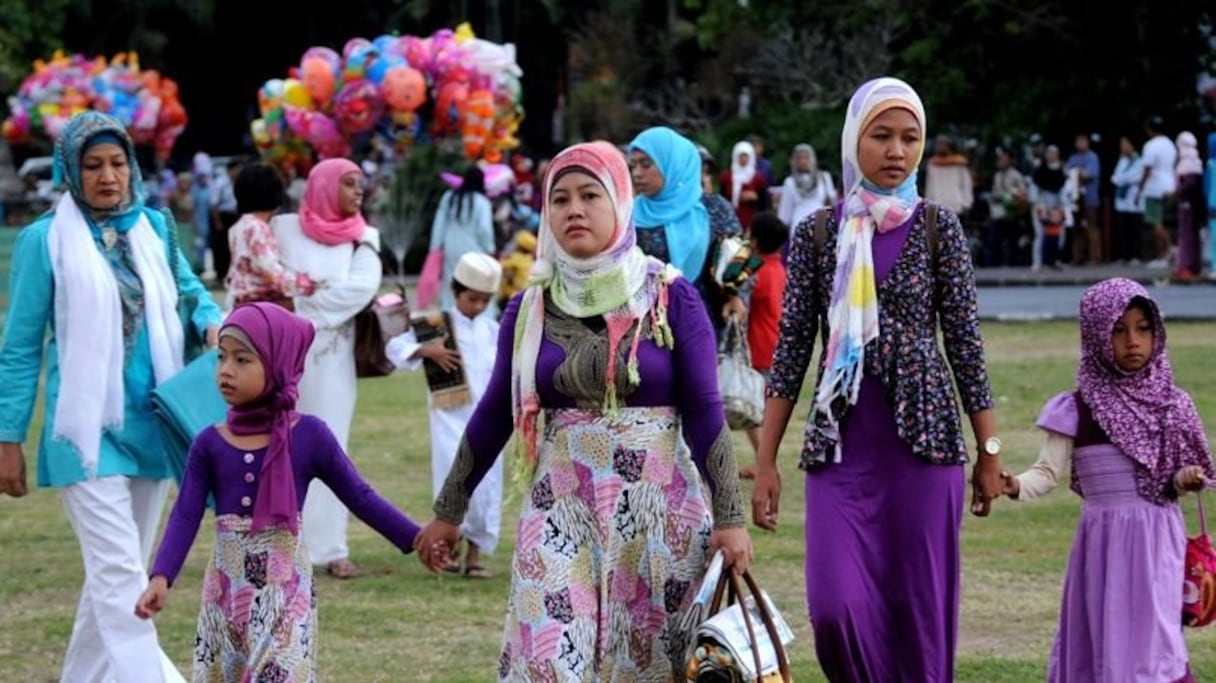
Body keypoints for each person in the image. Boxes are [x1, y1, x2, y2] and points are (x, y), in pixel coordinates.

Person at [412, 140, 752, 681]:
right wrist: (450, 510)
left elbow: (707, 412)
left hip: (658, 515)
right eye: (560, 198)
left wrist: (731, 518)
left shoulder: (670, 296)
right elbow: (497, 411)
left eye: (590, 195)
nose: (574, 209)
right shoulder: (531, 307)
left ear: (620, 202)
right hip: (560, 508)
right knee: (549, 661)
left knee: (647, 666)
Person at [750, 77, 1003, 682]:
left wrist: (989, 450)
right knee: (836, 612)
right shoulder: (816, 234)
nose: (896, 150)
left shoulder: (940, 229)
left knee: (919, 614)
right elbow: (790, 356)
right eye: (881, 136)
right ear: (852, 140)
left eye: (909, 138)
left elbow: (966, 345)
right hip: (843, 447)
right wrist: (765, 462)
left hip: (926, 445)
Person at [0, 111, 222, 682]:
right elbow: (21, 348)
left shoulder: (155, 228)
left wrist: (213, 321)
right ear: (70, 171)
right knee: (124, 582)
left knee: (112, 580)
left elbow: (193, 293)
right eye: (92, 165)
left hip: (154, 426)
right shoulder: (43, 241)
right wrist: (7, 437)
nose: (107, 176)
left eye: (117, 163)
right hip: (83, 436)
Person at [135, 303, 424, 680]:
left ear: (277, 363)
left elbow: (360, 497)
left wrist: (416, 538)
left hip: (285, 598)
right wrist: (161, 576)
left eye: (242, 359)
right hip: (226, 598)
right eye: (221, 357)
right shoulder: (209, 443)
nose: (225, 370)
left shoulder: (310, 437)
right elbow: (186, 514)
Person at [1000, 278, 1212, 682]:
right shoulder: (1077, 408)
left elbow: (1175, 477)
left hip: (1157, 543)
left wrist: (1186, 478)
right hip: (1104, 547)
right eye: (1118, 329)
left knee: (1154, 641)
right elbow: (1046, 473)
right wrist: (1014, 485)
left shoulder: (1171, 404)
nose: (1133, 341)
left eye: (1143, 329)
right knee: (1105, 632)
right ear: (1095, 333)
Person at [272, 158, 381, 580]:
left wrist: (300, 304)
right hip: (284, 359)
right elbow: (269, 276)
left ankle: (331, 547)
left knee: (331, 447)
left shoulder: (364, 237)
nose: (358, 192)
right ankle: (282, 544)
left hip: (332, 362)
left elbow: (359, 290)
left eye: (361, 185)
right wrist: (309, 297)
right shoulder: (284, 229)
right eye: (350, 184)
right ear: (323, 186)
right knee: (279, 447)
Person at [387, 253, 504, 579]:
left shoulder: (493, 330)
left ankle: (475, 554)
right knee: (452, 480)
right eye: (472, 298)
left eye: (484, 300)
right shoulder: (435, 325)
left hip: (488, 418)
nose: (478, 306)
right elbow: (394, 348)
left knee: (485, 484)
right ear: (456, 291)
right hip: (449, 420)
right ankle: (448, 551)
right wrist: (428, 350)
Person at [629, 127, 747, 336]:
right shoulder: (628, 213)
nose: (637, 173)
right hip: (643, 326)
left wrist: (735, 297)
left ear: (672, 164)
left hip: (702, 323)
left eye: (646, 164)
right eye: (634, 165)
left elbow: (737, 256)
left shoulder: (713, 208)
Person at [224, 162, 318, 310]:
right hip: (259, 304)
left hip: (241, 302)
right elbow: (270, 271)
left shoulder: (237, 227)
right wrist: (307, 285)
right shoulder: (257, 228)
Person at [743, 212, 788, 455]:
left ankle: (763, 458)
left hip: (759, 348)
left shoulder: (757, 273)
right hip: (773, 344)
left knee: (752, 408)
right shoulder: (777, 268)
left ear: (756, 242)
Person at [429, 165, 495, 310]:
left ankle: (449, 315)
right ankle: (471, 314)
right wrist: (490, 248)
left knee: (450, 283)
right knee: (473, 284)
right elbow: (484, 230)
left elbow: (439, 225)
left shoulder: (449, 197)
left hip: (451, 247)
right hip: (474, 249)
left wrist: (435, 247)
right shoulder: (482, 202)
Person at [1135, 116, 1177, 267]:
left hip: (1154, 187)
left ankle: (1166, 252)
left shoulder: (1150, 145)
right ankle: (1167, 252)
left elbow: (1147, 168)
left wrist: (1140, 189)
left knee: (1155, 222)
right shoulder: (1170, 144)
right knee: (1163, 221)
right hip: (1170, 185)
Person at [776, 143, 838, 243]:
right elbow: (785, 212)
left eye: (806, 158)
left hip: (822, 221)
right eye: (799, 158)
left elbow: (832, 202)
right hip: (799, 223)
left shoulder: (824, 178)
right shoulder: (790, 182)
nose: (803, 161)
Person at [1173, 131, 1206, 280]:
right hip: (1191, 204)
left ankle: (1187, 265)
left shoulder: (1188, 161)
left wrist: (1176, 191)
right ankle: (1190, 265)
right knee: (1190, 235)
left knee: (1187, 236)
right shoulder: (1196, 160)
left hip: (1188, 204)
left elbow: (1189, 184)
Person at [1065, 133, 1102, 264]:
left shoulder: (1092, 157)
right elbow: (1067, 172)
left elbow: (1089, 174)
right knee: (1076, 228)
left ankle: (1095, 257)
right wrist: (1077, 173)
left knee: (1091, 227)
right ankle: (1077, 257)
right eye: (1078, 141)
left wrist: (1077, 173)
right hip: (1075, 198)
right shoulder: (1073, 158)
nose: (1080, 144)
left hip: (1089, 197)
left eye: (1083, 141)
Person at [1110, 134, 1146, 264]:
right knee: (1122, 228)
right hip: (1121, 198)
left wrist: (1121, 179)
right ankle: (1123, 255)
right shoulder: (1122, 160)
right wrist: (1121, 179)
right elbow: (1115, 178)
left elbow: (1134, 177)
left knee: (1134, 227)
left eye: (1125, 144)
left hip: (1133, 196)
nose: (1122, 147)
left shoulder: (1139, 160)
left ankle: (1136, 255)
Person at [718, 140, 770, 230]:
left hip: (752, 221)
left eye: (746, 156)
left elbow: (764, 202)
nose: (743, 159)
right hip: (731, 219)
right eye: (740, 156)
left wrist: (754, 197)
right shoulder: (726, 177)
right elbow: (722, 198)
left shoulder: (757, 178)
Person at [497, 228, 536, 310]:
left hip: (510, 297)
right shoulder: (530, 261)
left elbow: (507, 275)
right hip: (524, 298)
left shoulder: (514, 260)